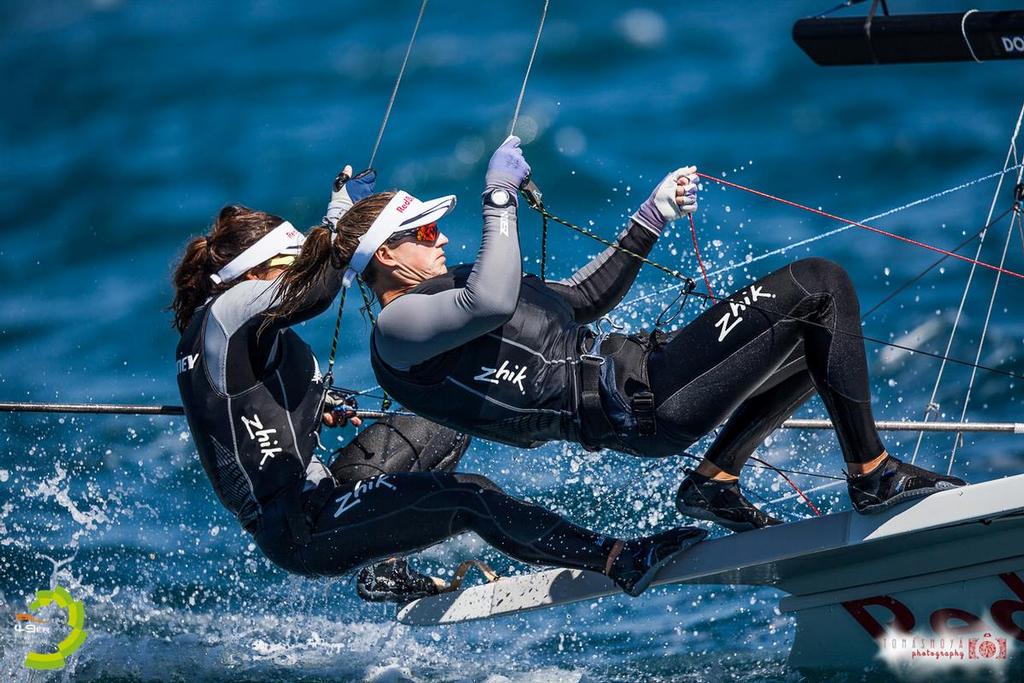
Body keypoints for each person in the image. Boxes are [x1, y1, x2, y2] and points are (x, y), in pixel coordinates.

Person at [271, 135, 966, 535]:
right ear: (387, 257)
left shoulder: (442, 292)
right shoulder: (398, 329)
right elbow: (494, 295)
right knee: (818, 282)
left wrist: (651, 214)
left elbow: (581, 299)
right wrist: (497, 194)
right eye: (423, 232)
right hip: (637, 405)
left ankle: (715, 481)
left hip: (642, 377)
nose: (440, 235)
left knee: (808, 322)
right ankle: (872, 477)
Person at [170, 171, 707, 602]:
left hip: (322, 492)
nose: (299, 272)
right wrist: (339, 229)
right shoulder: (229, 308)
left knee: (444, 409)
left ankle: (385, 568)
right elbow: (312, 294)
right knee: (468, 497)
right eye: (291, 263)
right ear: (257, 271)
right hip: (300, 528)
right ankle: (619, 559)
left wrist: (316, 403)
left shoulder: (239, 334)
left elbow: (253, 410)